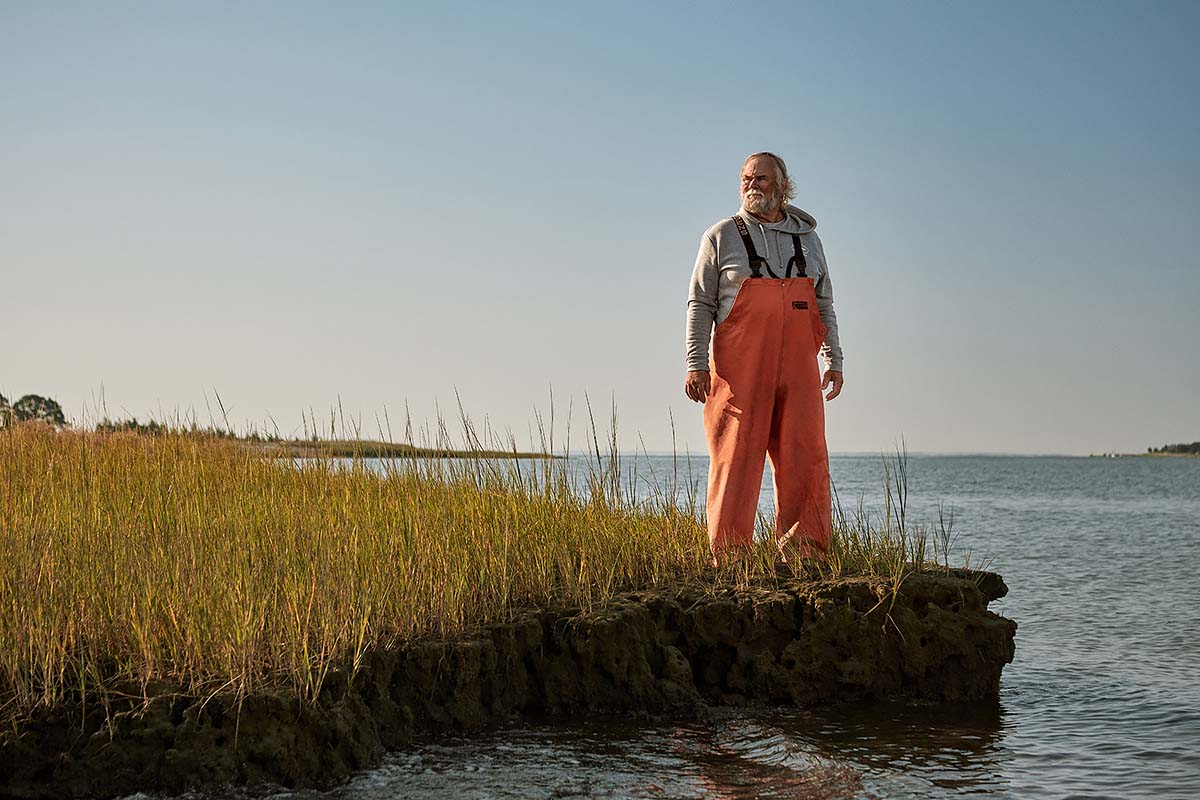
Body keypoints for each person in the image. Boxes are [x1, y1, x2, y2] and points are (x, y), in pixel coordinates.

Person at [684, 152, 844, 563]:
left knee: (806, 456)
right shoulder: (720, 236)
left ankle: (805, 553)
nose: (752, 184)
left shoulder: (809, 241)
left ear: (783, 186)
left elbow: (824, 305)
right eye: (746, 178)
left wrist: (834, 360)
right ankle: (731, 557)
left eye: (762, 178)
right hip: (740, 372)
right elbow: (699, 303)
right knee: (735, 459)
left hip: (800, 372)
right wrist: (695, 362)